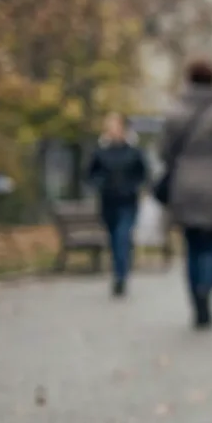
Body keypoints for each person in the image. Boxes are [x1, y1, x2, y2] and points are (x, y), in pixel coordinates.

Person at [159, 59, 212, 329]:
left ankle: (197, 298)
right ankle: (207, 287)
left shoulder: (175, 112)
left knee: (192, 244)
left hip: (184, 186)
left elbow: (164, 152)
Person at [87, 111, 148, 297]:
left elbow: (143, 174)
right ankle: (120, 267)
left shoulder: (134, 151)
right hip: (108, 202)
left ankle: (120, 276)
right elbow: (90, 173)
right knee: (114, 239)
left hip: (128, 202)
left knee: (122, 235)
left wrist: (133, 187)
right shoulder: (100, 151)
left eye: (116, 126)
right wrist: (100, 184)